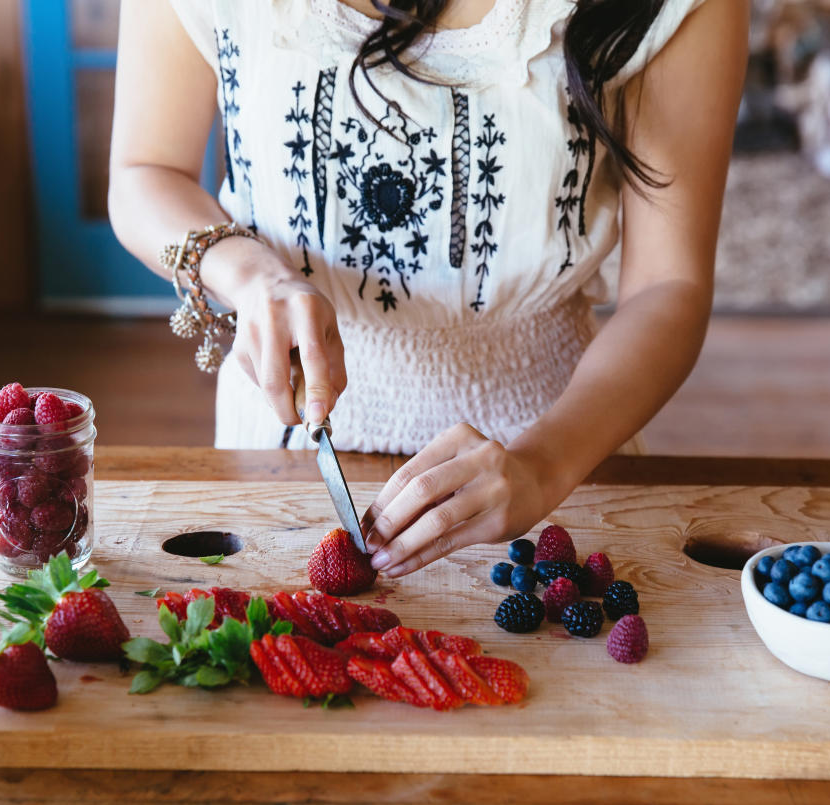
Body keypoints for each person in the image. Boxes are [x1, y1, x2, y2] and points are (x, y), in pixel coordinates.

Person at [109, 0, 748, 578]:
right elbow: (145, 172)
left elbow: (669, 283)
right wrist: (249, 273)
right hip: (277, 450)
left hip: (564, 460)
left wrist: (541, 465)